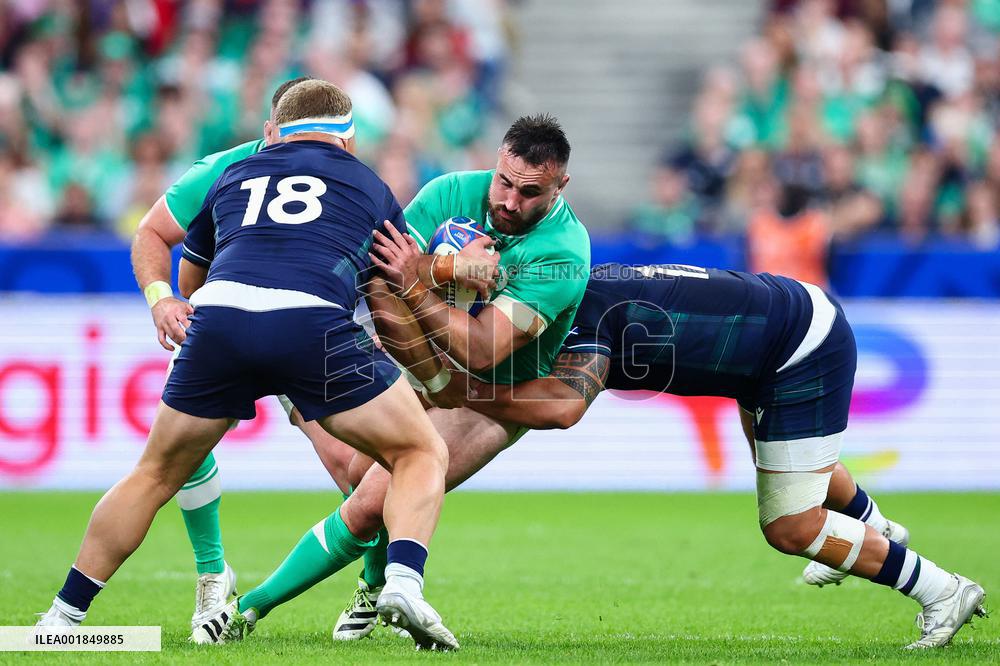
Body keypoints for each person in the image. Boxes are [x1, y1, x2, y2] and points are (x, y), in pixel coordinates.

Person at [36, 79, 459, 651]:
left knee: (154, 473)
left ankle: (62, 621)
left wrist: (178, 304)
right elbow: (398, 282)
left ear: (272, 131)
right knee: (419, 450)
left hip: (222, 319)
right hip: (312, 324)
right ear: (350, 139)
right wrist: (459, 275)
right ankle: (401, 584)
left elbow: (194, 267)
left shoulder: (233, 173)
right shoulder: (369, 183)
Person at [199, 113, 592, 642]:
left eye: (530, 193)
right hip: (420, 366)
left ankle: (245, 611)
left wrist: (415, 278)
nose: (509, 201)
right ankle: (374, 580)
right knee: (355, 476)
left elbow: (480, 351)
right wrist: (444, 272)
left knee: (368, 504)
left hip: (486, 398)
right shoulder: (450, 192)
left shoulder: (563, 253)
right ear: (496, 160)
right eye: (504, 182)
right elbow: (376, 274)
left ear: (559, 186)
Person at [463, 262, 987, 650]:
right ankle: (877, 529)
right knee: (786, 462)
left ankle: (942, 589)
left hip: (796, 345)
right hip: (776, 328)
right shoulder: (570, 283)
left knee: (790, 525)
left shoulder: (580, 312)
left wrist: (457, 391)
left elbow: (562, 408)